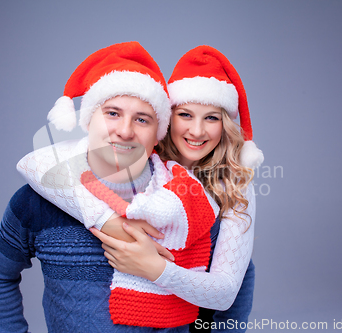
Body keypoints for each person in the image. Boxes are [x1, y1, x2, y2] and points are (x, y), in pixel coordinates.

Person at [20, 45, 263, 332]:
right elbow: (37, 164)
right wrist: (110, 222)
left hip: (202, 321)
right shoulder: (142, 157)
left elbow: (225, 292)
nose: (197, 131)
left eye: (211, 118)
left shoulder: (233, 186)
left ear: (225, 126)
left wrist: (155, 268)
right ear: (167, 118)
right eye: (185, 114)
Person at [0, 42, 193, 332]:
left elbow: (228, 284)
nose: (125, 130)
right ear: (88, 120)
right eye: (112, 113)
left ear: (157, 135)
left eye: (142, 119)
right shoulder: (35, 202)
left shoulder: (187, 199)